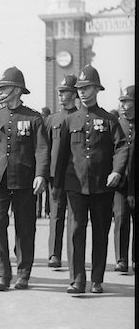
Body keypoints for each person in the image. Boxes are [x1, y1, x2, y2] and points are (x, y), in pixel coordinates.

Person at [54, 66, 128, 294]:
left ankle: (96, 279)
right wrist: (57, 185)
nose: (83, 92)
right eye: (80, 89)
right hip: (75, 186)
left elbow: (121, 146)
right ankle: (77, 280)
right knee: (76, 232)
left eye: (87, 88)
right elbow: (61, 155)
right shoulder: (69, 120)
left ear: (97, 89)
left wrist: (116, 171)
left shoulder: (109, 120)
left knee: (100, 233)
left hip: (101, 187)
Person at [0, 67, 49, 291]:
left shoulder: (34, 118)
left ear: (17, 90)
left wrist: (40, 175)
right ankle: (1, 274)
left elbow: (41, 150)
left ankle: (23, 273)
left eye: (4, 87)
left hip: (24, 180)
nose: (0, 91)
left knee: (25, 228)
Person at [45, 75, 79, 269]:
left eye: (65, 91)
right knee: (56, 216)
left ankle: (74, 256)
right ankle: (53, 254)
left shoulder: (80, 117)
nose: (61, 95)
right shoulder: (52, 119)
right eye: (59, 91)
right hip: (55, 177)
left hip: (75, 175)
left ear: (74, 94)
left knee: (74, 218)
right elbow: (45, 148)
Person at [114, 85, 135, 273]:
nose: (123, 105)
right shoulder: (117, 124)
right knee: (121, 219)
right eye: (121, 101)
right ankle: (121, 259)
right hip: (121, 184)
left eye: (127, 101)